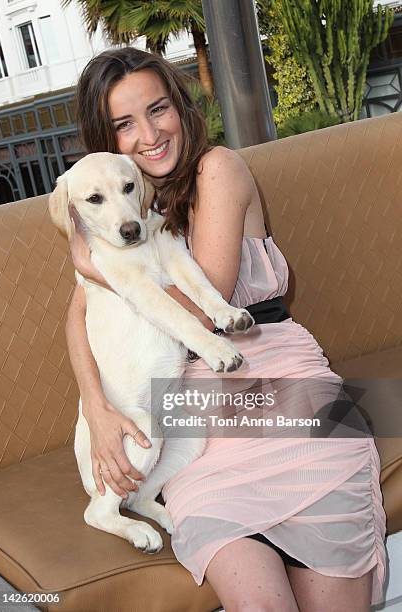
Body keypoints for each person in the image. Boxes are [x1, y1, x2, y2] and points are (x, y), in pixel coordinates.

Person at [66, 47, 386, 612]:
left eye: (158, 109)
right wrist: (96, 407)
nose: (148, 134)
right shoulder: (113, 206)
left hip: (285, 382)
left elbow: (202, 302)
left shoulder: (218, 169)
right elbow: (76, 317)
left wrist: (95, 266)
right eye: (123, 124)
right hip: (196, 418)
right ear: (104, 140)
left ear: (180, 107)